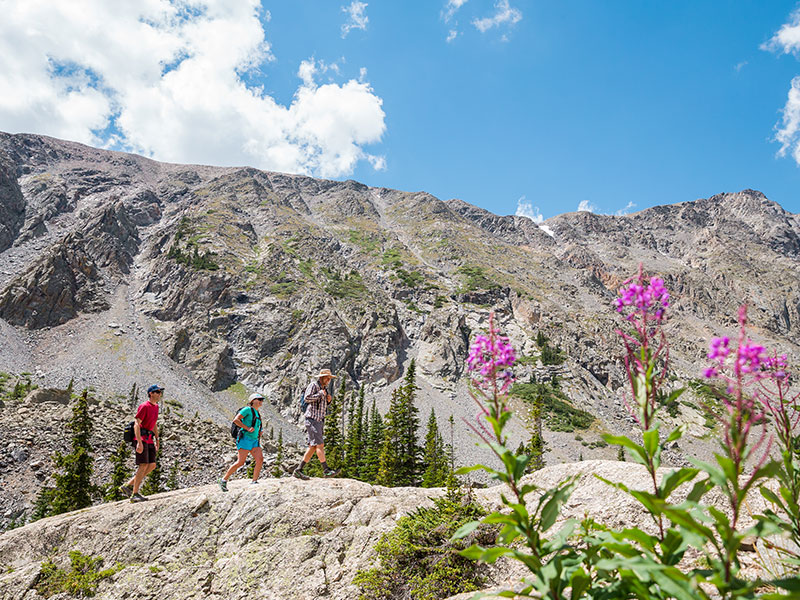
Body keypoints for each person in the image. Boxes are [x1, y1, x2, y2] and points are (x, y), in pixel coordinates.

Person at [291, 368, 339, 479]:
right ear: (321, 377)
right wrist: (320, 394)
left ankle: (298, 470)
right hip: (312, 419)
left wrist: (328, 400)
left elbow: (322, 405)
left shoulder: (324, 389)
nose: (328, 380)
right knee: (320, 445)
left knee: (313, 446)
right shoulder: (313, 386)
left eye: (329, 378)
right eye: (327, 378)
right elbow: (307, 398)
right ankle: (326, 470)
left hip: (319, 420)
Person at [119, 384, 162, 503]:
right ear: (151, 393)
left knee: (152, 465)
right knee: (143, 465)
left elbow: (154, 424)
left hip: (149, 439)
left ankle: (128, 486)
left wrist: (157, 439)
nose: (159, 394)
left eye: (160, 392)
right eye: (157, 392)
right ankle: (134, 494)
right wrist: (138, 442)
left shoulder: (156, 407)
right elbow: (136, 424)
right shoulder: (144, 406)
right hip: (142, 438)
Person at [218, 393, 265, 491]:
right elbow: (236, 420)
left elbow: (257, 425)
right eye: (259, 399)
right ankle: (223, 479)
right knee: (240, 462)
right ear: (253, 401)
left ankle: (254, 481)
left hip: (254, 440)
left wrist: (259, 431)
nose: (261, 401)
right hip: (245, 439)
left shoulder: (257, 412)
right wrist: (247, 428)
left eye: (262, 400)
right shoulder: (247, 409)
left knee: (260, 459)